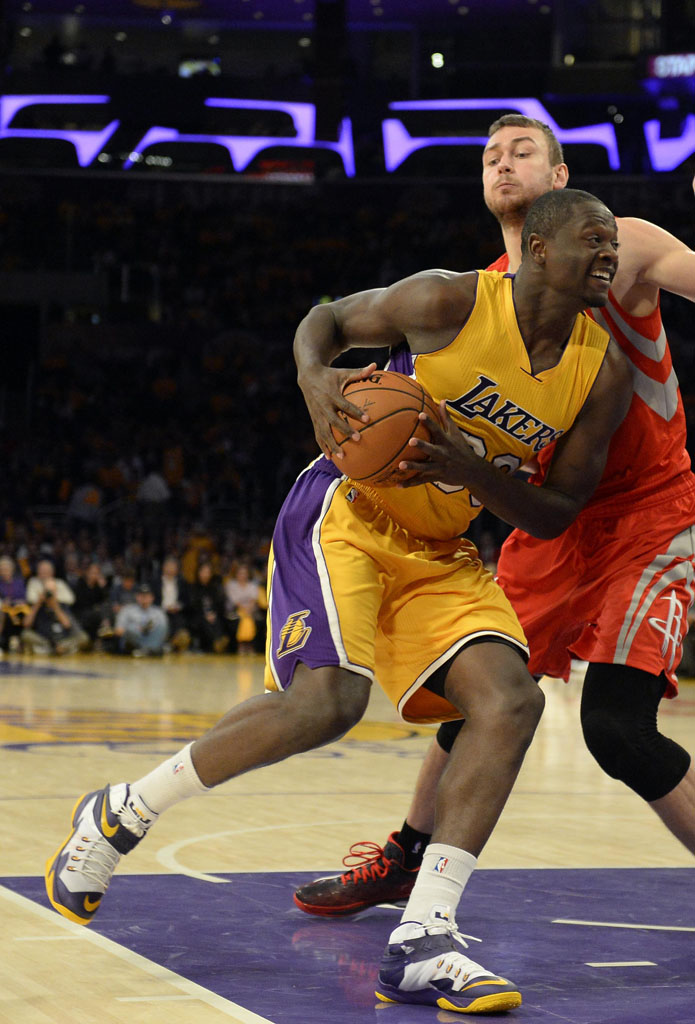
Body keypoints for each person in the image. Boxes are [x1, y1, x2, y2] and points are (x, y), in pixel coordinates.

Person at [45, 188, 632, 1015]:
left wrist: (469, 471)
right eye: (592, 239)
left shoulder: (601, 371)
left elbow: (558, 509)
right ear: (537, 248)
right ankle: (122, 811)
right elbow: (325, 318)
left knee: (508, 701)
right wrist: (313, 379)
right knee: (325, 704)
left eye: (612, 242)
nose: (608, 252)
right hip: (346, 517)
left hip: (441, 547)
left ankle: (424, 935)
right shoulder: (447, 300)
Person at [293, 114, 695, 920]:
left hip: (647, 516)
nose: (501, 163)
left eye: (521, 151)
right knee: (487, 692)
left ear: (557, 179)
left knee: (615, 730)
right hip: (549, 520)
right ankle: (406, 857)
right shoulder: (478, 297)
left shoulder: (624, 245)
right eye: (489, 155)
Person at [21, 558, 88, 655]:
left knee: (83, 637)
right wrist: (38, 603)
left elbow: (67, 624)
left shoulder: (61, 605)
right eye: (47, 591)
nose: (49, 594)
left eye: (52, 591)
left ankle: (60, 648)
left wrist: (55, 605)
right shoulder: (38, 604)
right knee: (25, 634)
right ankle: (52, 648)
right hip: (45, 639)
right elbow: (26, 624)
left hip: (62, 638)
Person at [113, 582, 169, 657]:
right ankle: (147, 651)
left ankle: (146, 650)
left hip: (151, 638)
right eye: (142, 596)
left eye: (147, 596)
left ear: (152, 597)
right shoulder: (127, 610)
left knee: (162, 626)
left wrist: (149, 629)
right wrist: (137, 630)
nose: (144, 598)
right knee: (130, 630)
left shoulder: (159, 612)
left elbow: (163, 631)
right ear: (137, 597)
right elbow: (118, 630)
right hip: (134, 639)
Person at [188, 560, 229, 653]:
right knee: (204, 621)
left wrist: (213, 614)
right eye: (203, 572)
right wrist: (204, 615)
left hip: (213, 614)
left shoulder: (215, 588)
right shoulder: (193, 587)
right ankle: (216, 642)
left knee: (217, 620)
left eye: (208, 572)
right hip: (198, 615)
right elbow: (192, 606)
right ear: (198, 573)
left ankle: (219, 641)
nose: (205, 575)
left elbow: (219, 605)